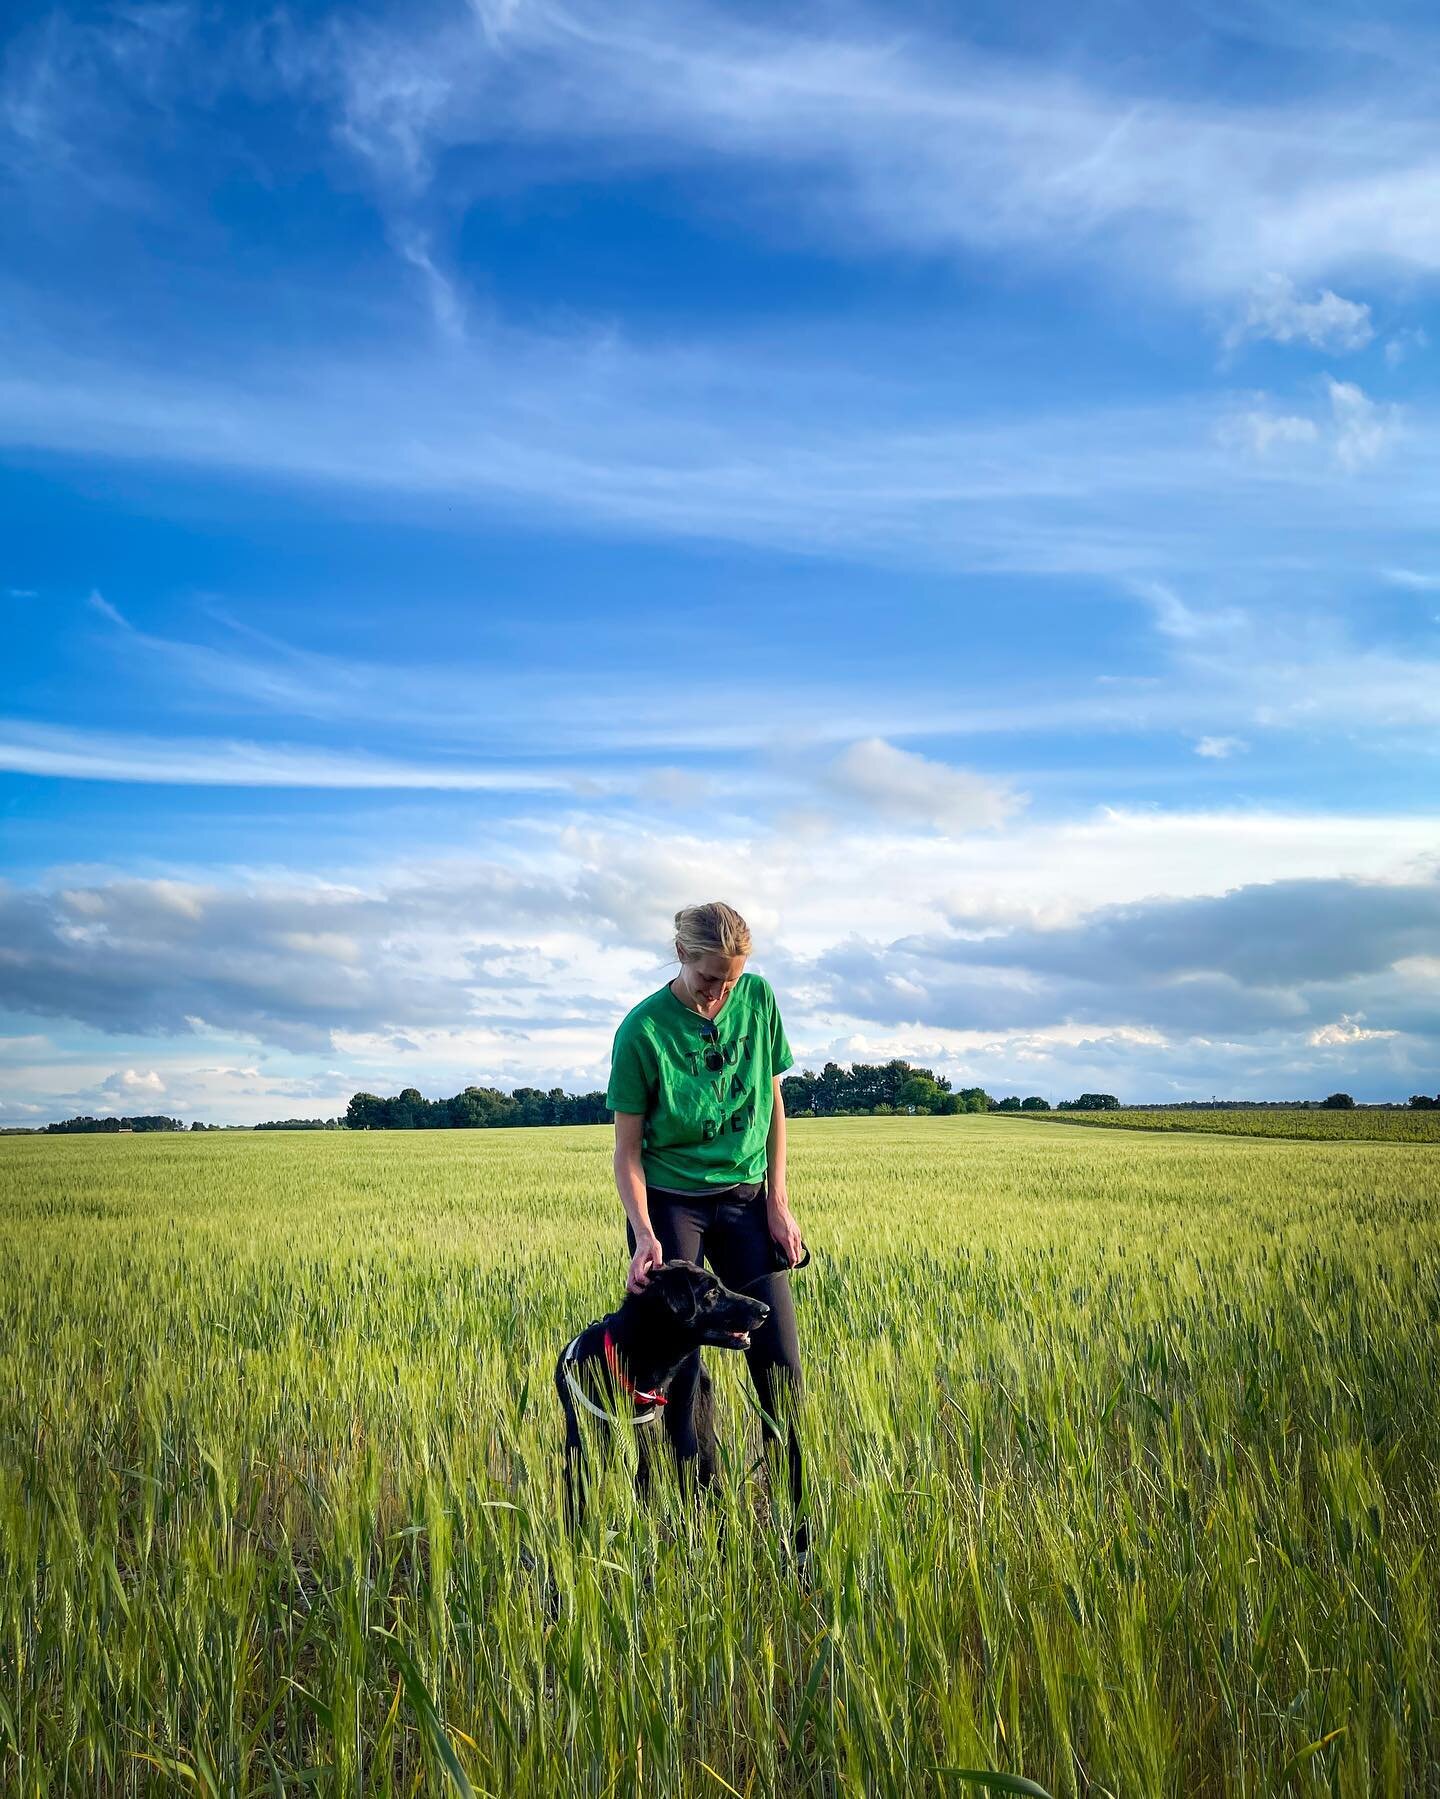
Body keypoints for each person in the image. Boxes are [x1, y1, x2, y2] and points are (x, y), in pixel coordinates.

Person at [605, 899, 809, 1565]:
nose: (721, 992)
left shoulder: (758, 999)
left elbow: (772, 1099)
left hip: (747, 1200)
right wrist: (642, 1234)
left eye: (732, 978)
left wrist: (778, 1202)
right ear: (681, 956)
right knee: (684, 1384)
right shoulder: (641, 1030)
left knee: (781, 1369)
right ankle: (701, 1532)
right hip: (673, 1204)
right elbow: (627, 1151)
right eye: (708, 978)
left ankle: (800, 1540)